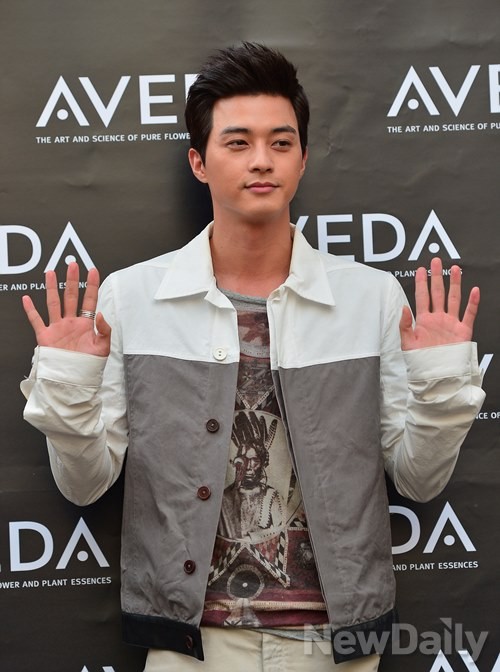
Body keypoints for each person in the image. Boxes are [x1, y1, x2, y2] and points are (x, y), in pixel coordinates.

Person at [21, 42, 485, 671]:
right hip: (190, 646)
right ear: (199, 161)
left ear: (303, 158)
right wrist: (69, 387)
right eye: (237, 142)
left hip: (337, 645)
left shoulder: (371, 298)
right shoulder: (131, 298)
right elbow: (84, 486)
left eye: (281, 142)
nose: (261, 160)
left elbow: (419, 480)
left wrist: (440, 387)